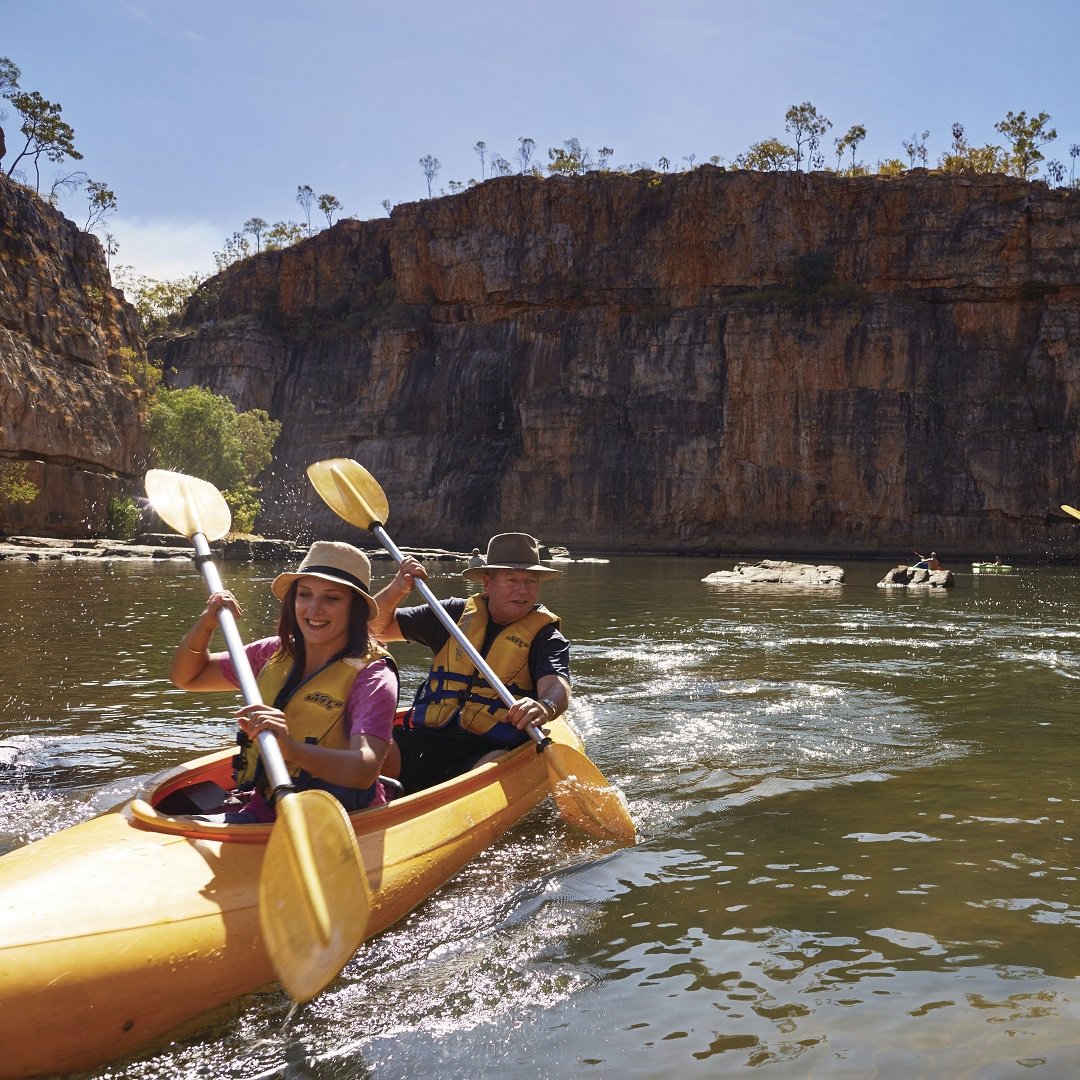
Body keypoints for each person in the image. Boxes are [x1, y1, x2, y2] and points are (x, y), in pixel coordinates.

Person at [170, 541, 398, 822]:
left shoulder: (373, 676)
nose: (314, 608)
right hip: (270, 803)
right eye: (304, 594)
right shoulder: (273, 652)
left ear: (355, 608)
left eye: (332, 598)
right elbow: (188, 677)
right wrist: (206, 624)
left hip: (335, 815)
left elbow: (365, 769)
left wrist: (292, 749)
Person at [370, 532, 571, 795]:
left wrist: (543, 707)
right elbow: (374, 629)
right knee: (371, 754)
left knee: (484, 775)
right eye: (512, 579)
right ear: (487, 583)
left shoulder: (546, 636)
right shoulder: (451, 614)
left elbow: (557, 687)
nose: (522, 590)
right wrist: (398, 589)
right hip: (427, 737)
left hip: (488, 748)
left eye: (530, 581)